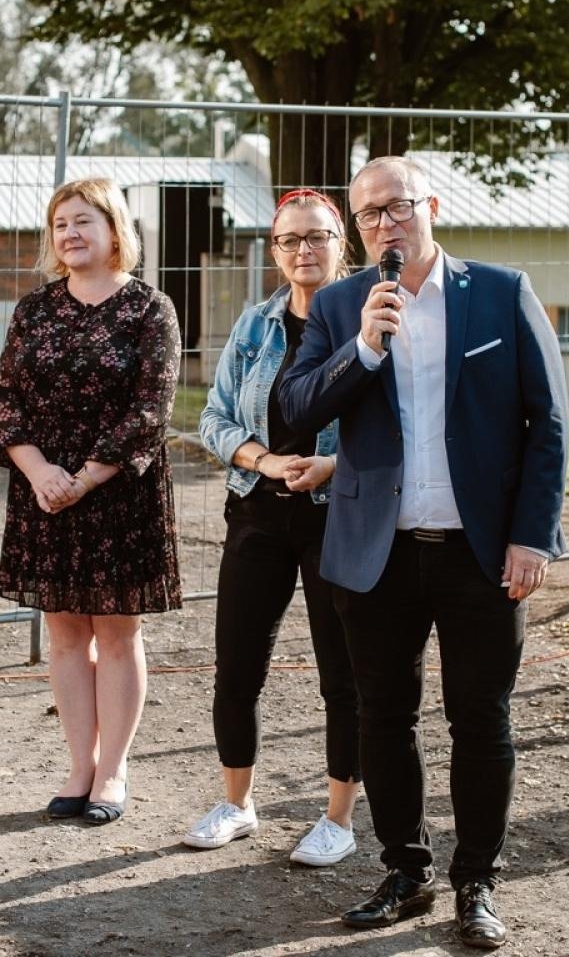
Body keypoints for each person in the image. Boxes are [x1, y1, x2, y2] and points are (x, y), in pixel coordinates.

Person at [278, 155, 569, 949]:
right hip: (378, 550)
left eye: (397, 207)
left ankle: (477, 880)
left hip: (482, 551)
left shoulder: (501, 293)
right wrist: (364, 350)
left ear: (430, 205)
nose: (385, 225)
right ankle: (406, 870)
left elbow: (549, 424)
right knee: (383, 716)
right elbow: (294, 406)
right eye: (369, 215)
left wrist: (531, 534)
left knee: (481, 717)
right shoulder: (340, 305)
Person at [0, 176, 181, 826]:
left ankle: (112, 769)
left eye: (83, 221)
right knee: (66, 632)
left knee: (117, 633)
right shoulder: (34, 309)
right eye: (61, 224)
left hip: (116, 492)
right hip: (45, 492)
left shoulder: (148, 308)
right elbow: (5, 394)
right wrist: (41, 469)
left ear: (114, 230)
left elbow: (151, 406)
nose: (70, 234)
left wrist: (86, 475)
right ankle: (78, 765)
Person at [183, 188, 361, 865]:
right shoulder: (256, 325)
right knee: (237, 666)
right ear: (275, 249)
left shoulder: (366, 318)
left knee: (340, 674)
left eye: (317, 237)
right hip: (258, 506)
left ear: (340, 243)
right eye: (291, 240)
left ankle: (338, 819)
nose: (304, 250)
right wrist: (263, 457)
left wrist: (332, 464)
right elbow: (215, 418)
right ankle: (237, 802)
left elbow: (396, 425)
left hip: (338, 513)